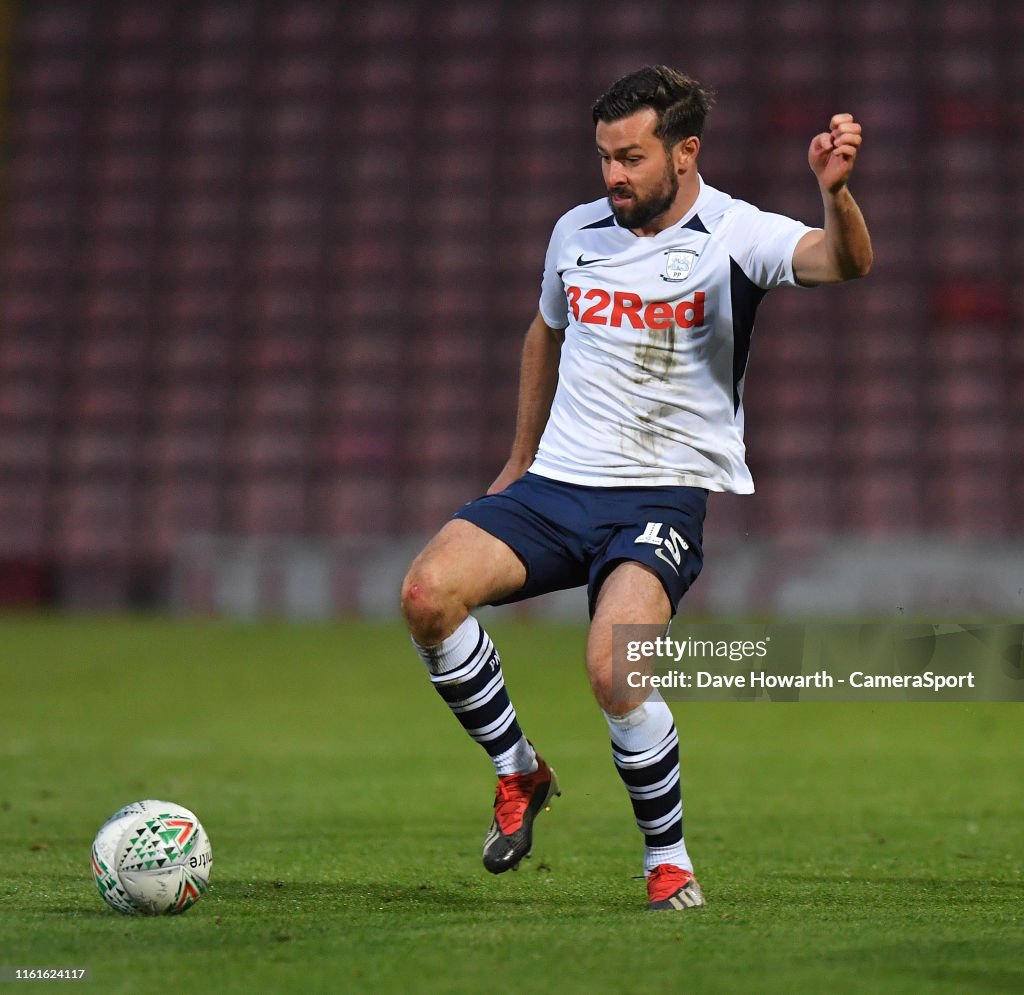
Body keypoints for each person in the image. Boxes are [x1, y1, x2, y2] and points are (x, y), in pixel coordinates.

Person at [400, 65, 871, 911]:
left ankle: (669, 859)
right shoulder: (575, 232)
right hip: (555, 485)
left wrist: (835, 196)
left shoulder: (736, 232)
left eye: (631, 156)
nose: (613, 175)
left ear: (685, 152)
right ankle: (519, 770)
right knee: (427, 594)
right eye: (604, 157)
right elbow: (545, 332)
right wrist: (517, 460)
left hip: (660, 494)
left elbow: (844, 262)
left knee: (617, 668)